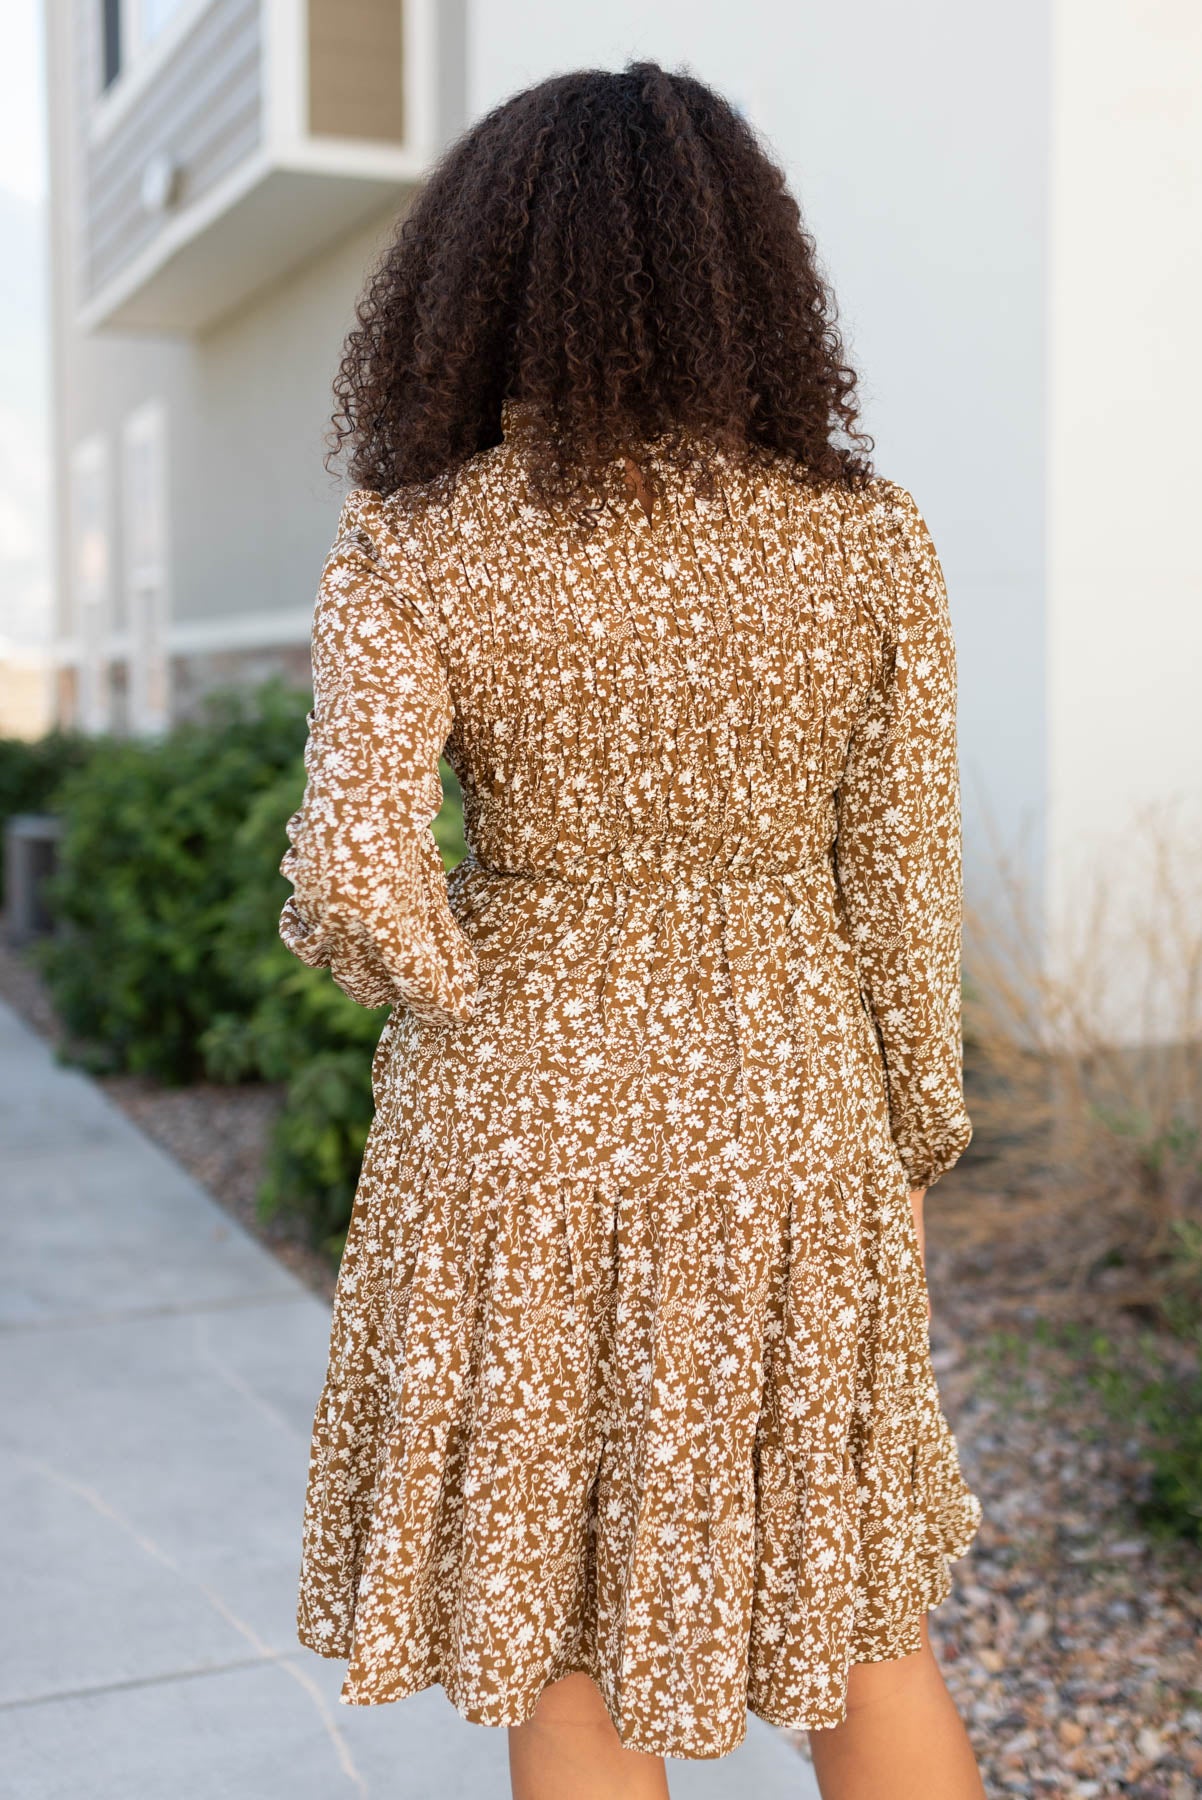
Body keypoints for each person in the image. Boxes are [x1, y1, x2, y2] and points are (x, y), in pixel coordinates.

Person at [278, 58, 987, 1800]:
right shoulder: (867, 542)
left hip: (525, 1122)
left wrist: (496, 1005)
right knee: (854, 1616)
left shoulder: (422, 542)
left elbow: (354, 869)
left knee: (569, 1625)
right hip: (792, 1102)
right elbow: (901, 878)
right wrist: (914, 1126)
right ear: (751, 272)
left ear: (478, 277)